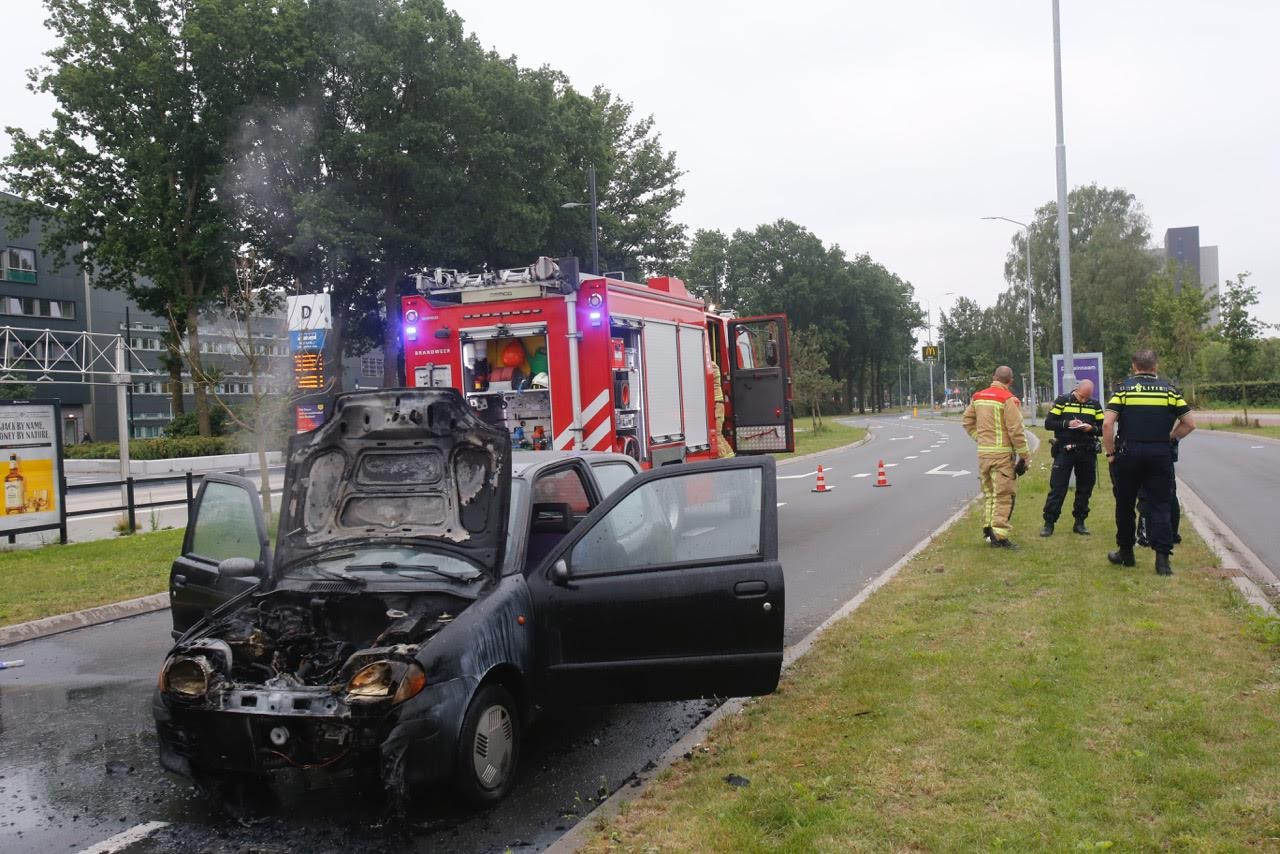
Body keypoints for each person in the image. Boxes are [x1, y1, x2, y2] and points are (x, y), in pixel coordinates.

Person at [1102, 349, 1196, 575]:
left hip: (1128, 453)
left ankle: (1126, 553)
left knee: (1124, 505)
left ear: (1134, 367)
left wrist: (1110, 452)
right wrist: (1169, 437)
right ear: (1155, 367)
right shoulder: (1170, 391)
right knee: (1160, 505)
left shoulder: (1122, 390)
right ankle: (1162, 561)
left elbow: (1107, 424)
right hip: (1159, 455)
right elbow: (1189, 423)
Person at [962, 365, 1031, 548]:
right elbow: (1016, 431)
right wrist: (1025, 456)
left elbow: (967, 421)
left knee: (989, 493)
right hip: (1002, 456)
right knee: (1003, 495)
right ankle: (1000, 537)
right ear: (1010, 380)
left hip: (984, 455)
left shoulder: (978, 397)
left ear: (994, 377)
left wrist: (980, 438)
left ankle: (988, 530)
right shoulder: (1008, 399)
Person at [1039, 379, 1104, 537]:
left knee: (1085, 488)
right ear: (1077, 390)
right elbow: (1049, 423)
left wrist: (1091, 428)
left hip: (1086, 451)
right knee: (1058, 488)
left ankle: (1080, 522)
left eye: (1087, 398)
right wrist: (1068, 423)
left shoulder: (1095, 405)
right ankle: (1049, 523)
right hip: (1065, 450)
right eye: (1082, 397)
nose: (1084, 400)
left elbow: (1102, 428)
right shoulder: (1063, 401)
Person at [1137, 439, 1181, 548]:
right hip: (1166, 452)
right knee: (1169, 494)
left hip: (1147, 450)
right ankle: (1172, 535)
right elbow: (1189, 425)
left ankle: (1145, 536)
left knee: (1145, 495)